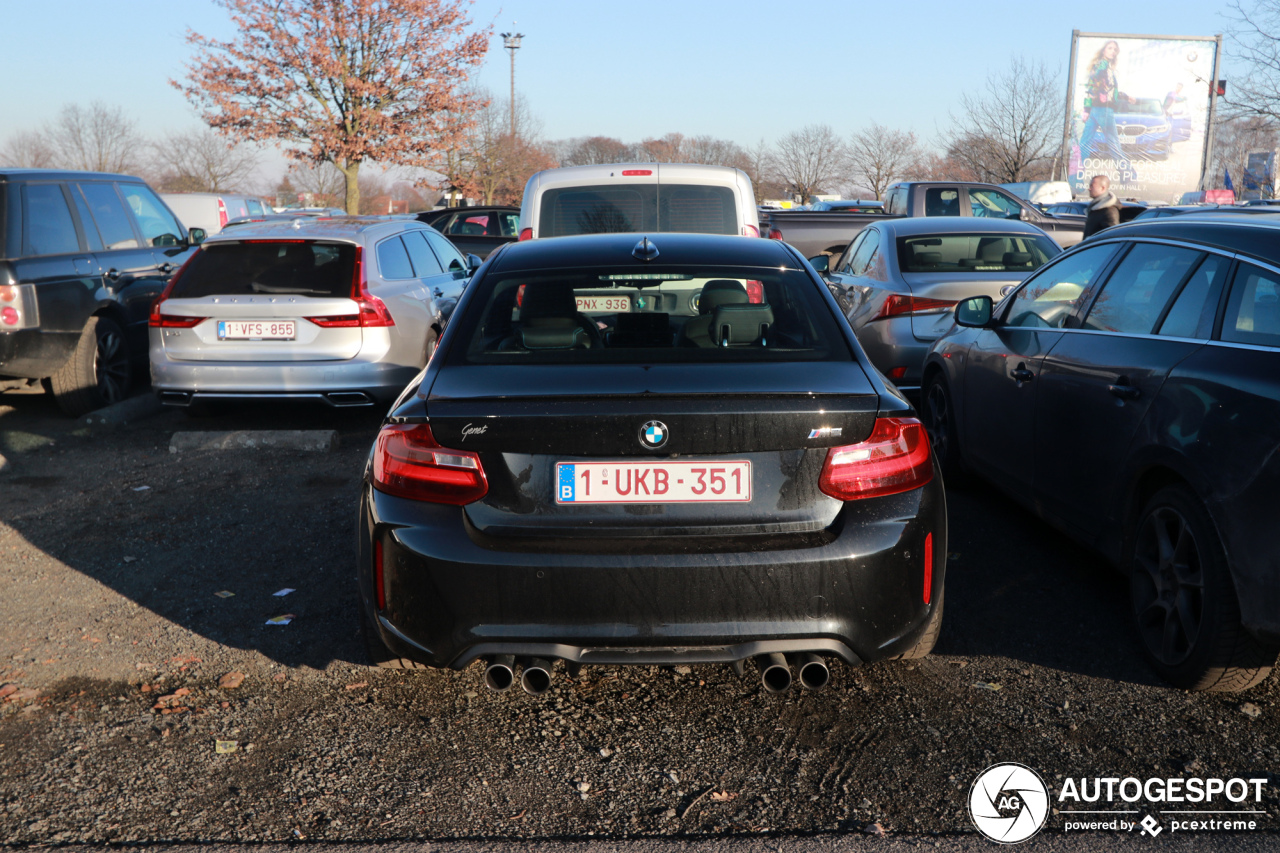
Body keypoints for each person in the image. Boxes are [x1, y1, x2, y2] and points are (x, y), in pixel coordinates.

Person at [1079, 40, 1125, 163]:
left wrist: (1087, 109)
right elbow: (1093, 86)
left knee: (1085, 142)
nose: (1113, 51)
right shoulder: (1102, 66)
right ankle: (1128, 174)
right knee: (1114, 143)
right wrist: (1086, 109)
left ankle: (1075, 177)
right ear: (1104, 50)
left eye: (1115, 49)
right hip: (1103, 109)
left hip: (1095, 109)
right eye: (1110, 48)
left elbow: (1108, 90)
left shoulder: (1106, 67)